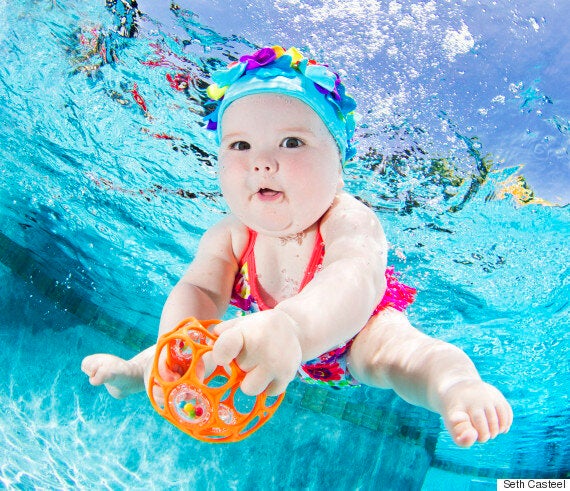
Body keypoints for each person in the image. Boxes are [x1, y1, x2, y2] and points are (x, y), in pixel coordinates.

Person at [81, 46, 512, 447]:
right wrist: (178, 345)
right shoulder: (229, 234)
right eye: (240, 144)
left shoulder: (348, 218)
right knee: (208, 338)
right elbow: (202, 293)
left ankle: (456, 385)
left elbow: (354, 277)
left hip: (353, 331)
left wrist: (293, 328)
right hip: (270, 341)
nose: (262, 161)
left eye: (292, 142)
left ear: (339, 168)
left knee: (394, 356)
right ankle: (145, 368)